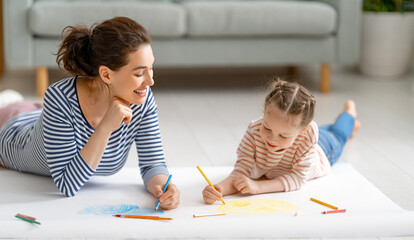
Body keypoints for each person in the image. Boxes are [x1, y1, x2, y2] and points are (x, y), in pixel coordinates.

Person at [0, 17, 180, 210]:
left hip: (44, 118)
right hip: (14, 131)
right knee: (14, 109)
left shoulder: (142, 98)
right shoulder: (59, 97)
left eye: (151, 68)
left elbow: (152, 165)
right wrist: (105, 127)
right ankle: (9, 101)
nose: (150, 81)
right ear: (106, 74)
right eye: (139, 74)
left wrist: (163, 187)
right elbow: (67, 184)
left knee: (37, 110)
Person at [202, 79, 361, 204]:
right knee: (328, 130)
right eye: (267, 128)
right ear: (264, 114)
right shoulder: (254, 129)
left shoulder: (309, 134)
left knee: (338, 135)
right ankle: (344, 123)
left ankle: (349, 114)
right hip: (302, 135)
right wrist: (219, 189)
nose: (272, 139)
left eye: (283, 136)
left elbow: (298, 179)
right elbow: (241, 171)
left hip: (323, 150)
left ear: (303, 130)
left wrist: (258, 187)